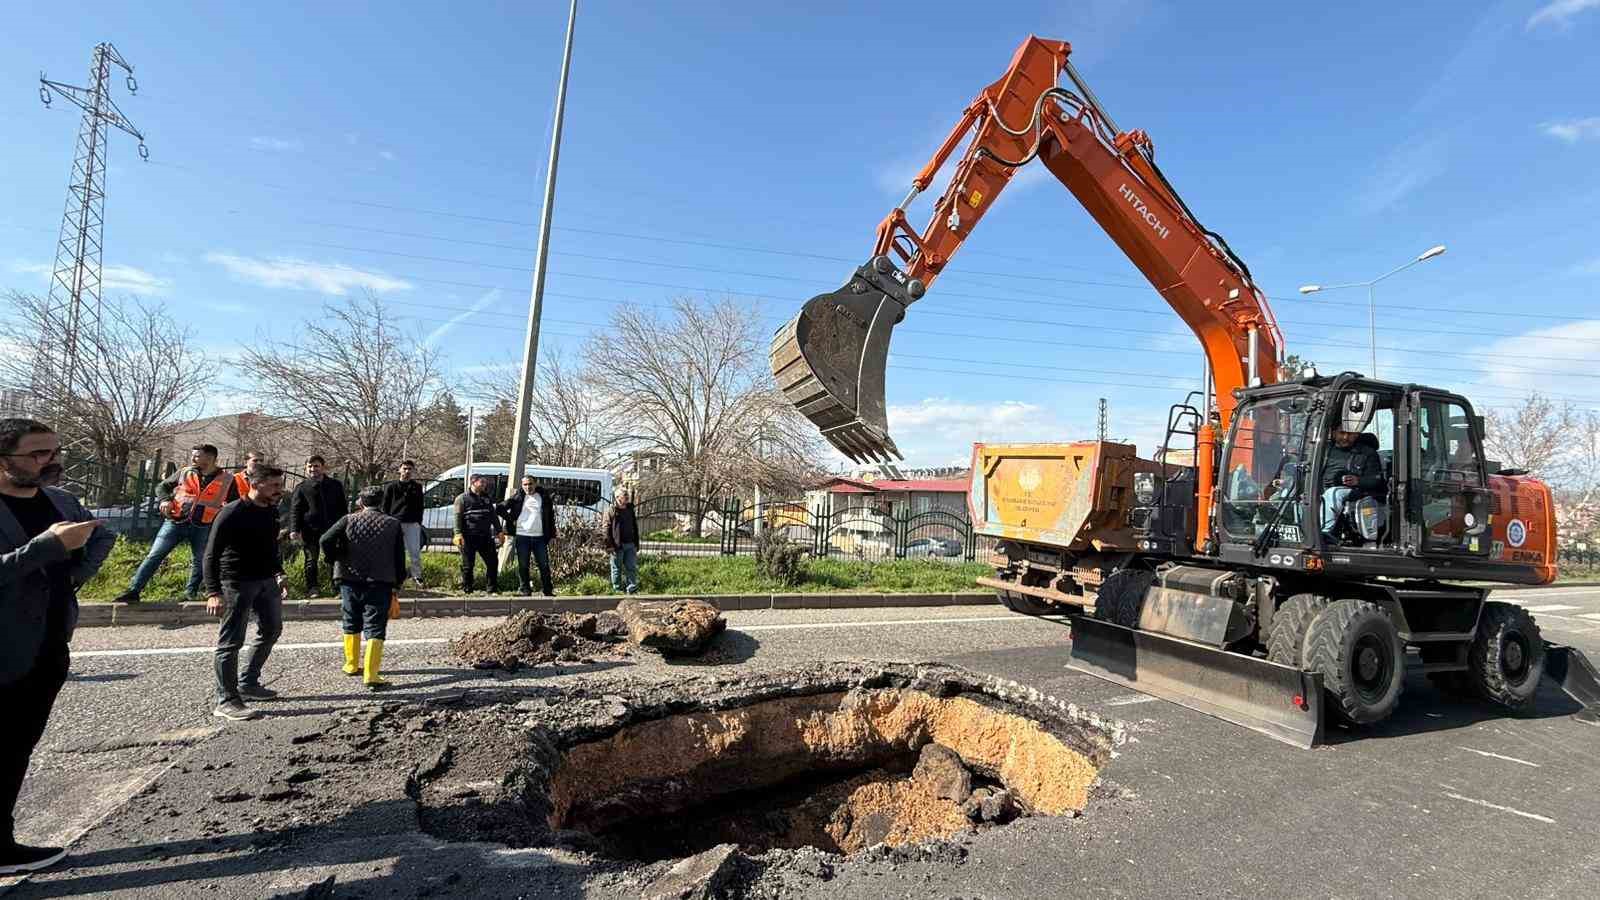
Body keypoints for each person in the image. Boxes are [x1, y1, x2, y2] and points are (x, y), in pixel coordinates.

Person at [0, 419, 115, 875]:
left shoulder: (62, 501)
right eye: (38, 454)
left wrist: (74, 577)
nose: (51, 461)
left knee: (16, 746)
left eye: (54, 451)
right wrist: (46, 547)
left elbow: (101, 534)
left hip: (48, 644)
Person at [204, 465, 289, 721]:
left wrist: (279, 573)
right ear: (255, 484)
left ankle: (248, 683)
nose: (279, 490)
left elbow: (270, 548)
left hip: (266, 581)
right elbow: (211, 554)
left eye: (280, 485)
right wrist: (213, 592)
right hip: (236, 583)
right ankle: (226, 700)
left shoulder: (271, 511)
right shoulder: (232, 512)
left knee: (272, 630)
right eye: (274, 485)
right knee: (231, 642)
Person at [115, 444, 237, 604]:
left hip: (204, 525)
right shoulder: (185, 472)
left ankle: (190, 593)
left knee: (200, 560)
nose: (193, 459)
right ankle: (134, 590)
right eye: (193, 455)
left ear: (210, 458)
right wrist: (165, 500)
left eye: (197, 456)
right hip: (175, 521)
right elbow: (162, 487)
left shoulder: (227, 479)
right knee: (155, 555)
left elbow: (233, 504)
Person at [321, 487, 406, 690]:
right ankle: (371, 675)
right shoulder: (393, 523)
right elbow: (399, 557)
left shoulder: (348, 519)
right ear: (381, 502)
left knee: (350, 619)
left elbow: (325, 540)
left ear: (361, 501)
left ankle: (351, 665)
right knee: (375, 626)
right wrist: (398, 582)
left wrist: (334, 557)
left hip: (349, 578)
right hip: (380, 580)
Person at [289, 455, 347, 598]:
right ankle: (312, 588)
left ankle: (337, 588)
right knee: (311, 559)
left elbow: (342, 507)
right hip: (310, 529)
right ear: (306, 468)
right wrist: (294, 529)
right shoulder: (301, 487)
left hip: (332, 528)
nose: (313, 469)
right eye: (310, 466)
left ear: (323, 467)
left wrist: (345, 525)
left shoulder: (335, 485)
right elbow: (295, 510)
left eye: (316, 466)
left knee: (334, 558)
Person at [1320, 427, 1385, 537]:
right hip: (1322, 487)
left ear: (1356, 434)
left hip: (1353, 490)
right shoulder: (1323, 451)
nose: (1345, 437)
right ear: (1333, 433)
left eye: (1350, 434)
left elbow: (1376, 480)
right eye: (1342, 433)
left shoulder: (1367, 453)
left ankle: (1325, 533)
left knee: (1333, 493)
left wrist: (1358, 480)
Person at [499, 474, 556, 597]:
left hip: (540, 537)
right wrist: (510, 519)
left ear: (535, 484)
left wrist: (552, 535)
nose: (528, 487)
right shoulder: (518, 497)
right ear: (522, 485)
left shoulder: (544, 497)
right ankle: (525, 589)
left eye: (530, 484)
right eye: (525, 484)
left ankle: (548, 590)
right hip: (522, 536)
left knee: (544, 565)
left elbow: (551, 517)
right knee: (523, 565)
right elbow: (500, 508)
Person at [453, 473, 503, 593]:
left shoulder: (486, 498)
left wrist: (499, 531)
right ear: (473, 482)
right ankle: (467, 588)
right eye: (482, 482)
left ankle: (492, 589)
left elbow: (493, 516)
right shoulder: (462, 499)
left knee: (493, 562)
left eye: (485, 482)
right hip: (468, 537)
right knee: (468, 565)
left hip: (485, 537)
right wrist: (458, 533)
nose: (485, 484)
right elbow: (457, 517)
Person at [380, 459, 425, 587]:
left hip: (412, 523)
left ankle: (417, 576)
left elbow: (420, 506)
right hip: (394, 523)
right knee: (393, 551)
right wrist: (386, 522)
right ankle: (391, 576)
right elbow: (385, 506)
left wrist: (418, 522)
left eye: (410, 469)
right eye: (404, 468)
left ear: (413, 471)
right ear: (399, 470)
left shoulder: (417, 487)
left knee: (414, 551)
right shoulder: (391, 487)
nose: (407, 471)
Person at [602, 488, 640, 594]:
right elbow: (605, 529)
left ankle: (631, 589)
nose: (627, 497)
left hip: (630, 544)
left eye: (627, 495)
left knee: (631, 568)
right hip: (617, 545)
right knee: (616, 568)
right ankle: (617, 590)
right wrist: (609, 545)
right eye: (625, 495)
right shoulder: (611, 510)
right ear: (618, 497)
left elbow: (634, 526)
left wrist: (636, 543)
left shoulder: (630, 509)